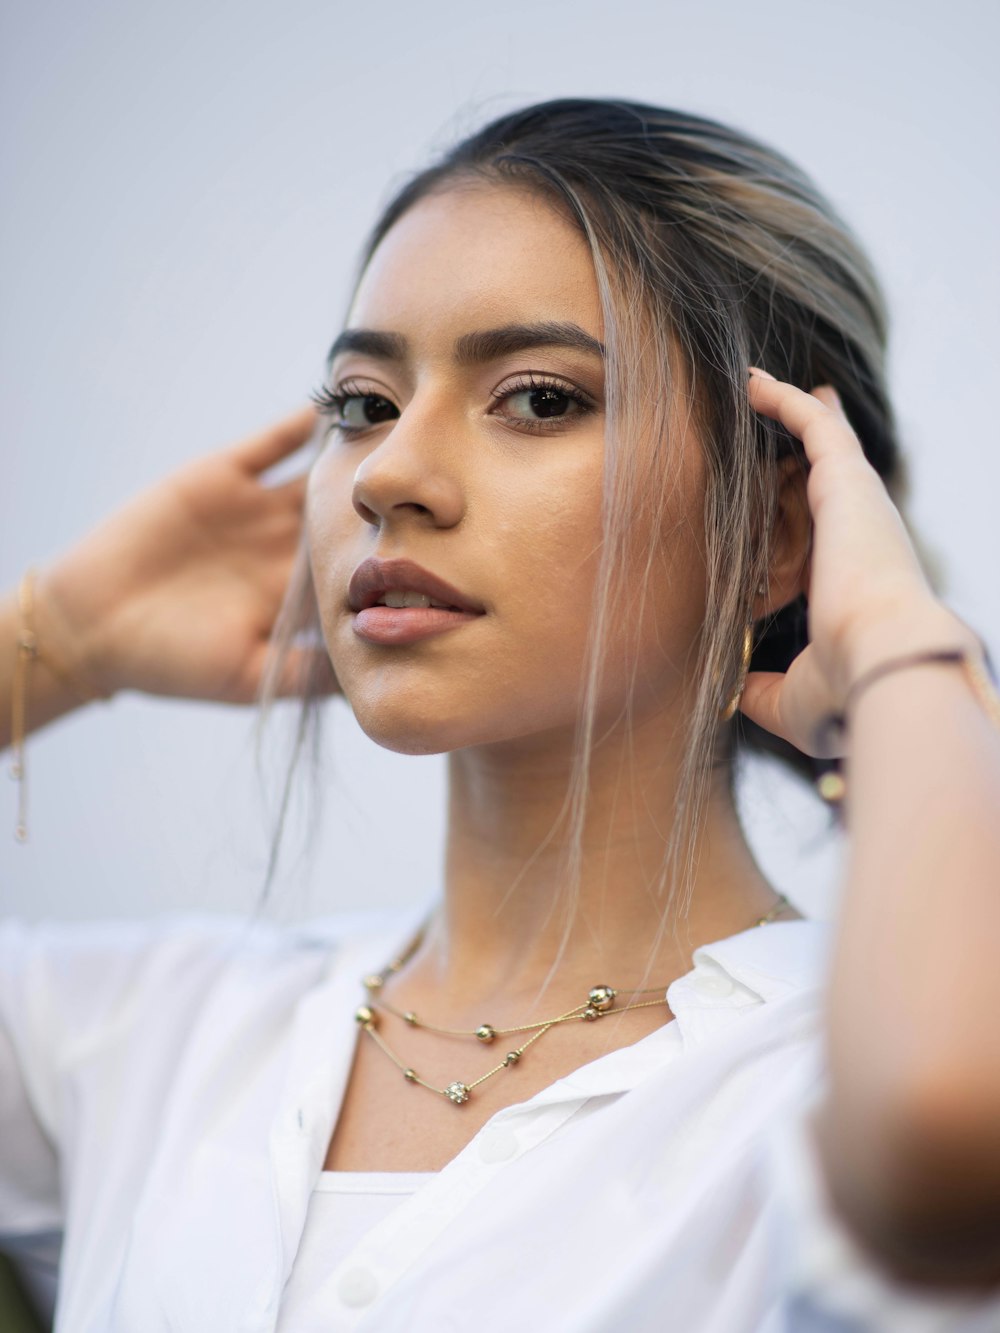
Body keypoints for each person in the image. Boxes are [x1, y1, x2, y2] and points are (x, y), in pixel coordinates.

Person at [2, 97, 999, 1332]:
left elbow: (950, 1133)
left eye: (535, 398)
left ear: (777, 530)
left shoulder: (831, 1067)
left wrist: (902, 652)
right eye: (363, 402)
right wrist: (52, 641)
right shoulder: (147, 1039)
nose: (386, 475)